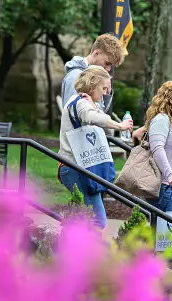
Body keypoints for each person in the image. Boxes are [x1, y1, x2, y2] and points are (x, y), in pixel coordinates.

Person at [57, 66, 133, 228]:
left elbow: (105, 129)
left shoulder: (86, 102)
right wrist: (120, 126)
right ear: (92, 84)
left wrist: (96, 106)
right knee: (97, 220)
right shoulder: (80, 103)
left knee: (80, 220)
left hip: (78, 168)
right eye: (104, 88)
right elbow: (92, 118)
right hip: (75, 168)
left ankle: (68, 250)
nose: (106, 93)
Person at [144, 81, 172, 214]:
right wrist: (170, 176)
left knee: (168, 233)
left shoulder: (171, 122)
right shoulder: (162, 119)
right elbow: (157, 148)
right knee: (166, 234)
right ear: (171, 100)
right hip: (166, 188)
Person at [61, 34, 125, 113]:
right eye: (107, 63)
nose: (108, 69)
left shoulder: (94, 75)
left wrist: (106, 93)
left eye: (111, 65)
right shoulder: (75, 76)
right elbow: (74, 115)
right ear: (96, 53)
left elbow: (99, 115)